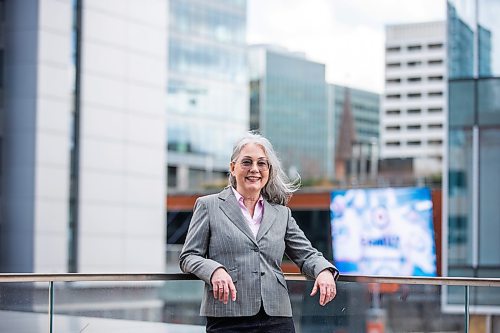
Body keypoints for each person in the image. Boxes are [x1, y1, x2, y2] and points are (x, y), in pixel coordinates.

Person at [179, 132, 339, 332]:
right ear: (232, 167)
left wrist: (324, 271)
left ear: (269, 170)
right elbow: (188, 256)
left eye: (261, 163)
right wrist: (214, 270)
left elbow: (306, 255)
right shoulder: (208, 206)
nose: (254, 169)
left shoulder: (281, 214)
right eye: (247, 162)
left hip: (277, 317)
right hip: (228, 316)